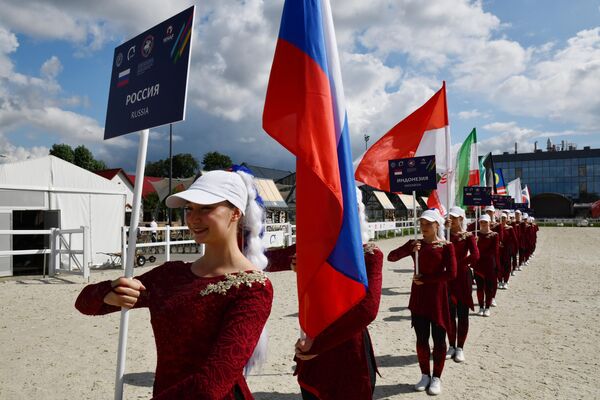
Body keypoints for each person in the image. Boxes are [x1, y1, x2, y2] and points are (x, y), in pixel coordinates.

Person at [75, 170, 274, 399]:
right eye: (189, 208)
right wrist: (108, 291)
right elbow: (84, 303)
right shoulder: (170, 275)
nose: (193, 217)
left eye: (206, 208)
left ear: (235, 213)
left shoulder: (253, 288)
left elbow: (212, 383)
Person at [288, 188, 384, 400]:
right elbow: (267, 258)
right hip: (313, 339)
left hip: (349, 347)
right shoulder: (312, 249)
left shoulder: (370, 255)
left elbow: (367, 310)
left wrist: (319, 346)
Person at [388, 209, 457, 396]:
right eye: (422, 224)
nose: (424, 227)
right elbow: (391, 257)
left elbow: (451, 273)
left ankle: (437, 377)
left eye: (428, 224)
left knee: (439, 340)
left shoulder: (446, 246)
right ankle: (425, 374)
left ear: (437, 225)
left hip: (438, 298)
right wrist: (410, 249)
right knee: (421, 338)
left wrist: (426, 279)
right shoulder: (415, 244)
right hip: (419, 298)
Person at [446, 207, 479, 363]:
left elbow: (475, 255)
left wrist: (458, 264)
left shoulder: (468, 236)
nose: (451, 220)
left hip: (463, 277)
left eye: (454, 217)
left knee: (463, 313)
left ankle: (460, 347)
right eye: (449, 217)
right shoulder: (444, 235)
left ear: (461, 218)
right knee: (449, 313)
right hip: (447, 279)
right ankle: (451, 345)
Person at [473, 214, 500, 317]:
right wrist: (474, 243)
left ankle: (487, 307)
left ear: (489, 223)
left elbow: (495, 251)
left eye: (485, 222)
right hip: (478, 265)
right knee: (480, 288)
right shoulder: (475, 235)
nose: (483, 224)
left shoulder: (494, 235)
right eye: (481, 222)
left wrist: (497, 266)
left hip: (489, 265)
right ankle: (480, 307)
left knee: (489, 288)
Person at [498, 213, 517, 289]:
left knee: (507, 266)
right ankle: (499, 281)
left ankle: (505, 281)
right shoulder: (496, 227)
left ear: (506, 219)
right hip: (499, 251)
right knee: (499, 266)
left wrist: (515, 249)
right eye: (501, 218)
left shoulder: (510, 228)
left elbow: (514, 239)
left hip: (507, 250)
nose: (503, 219)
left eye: (504, 218)